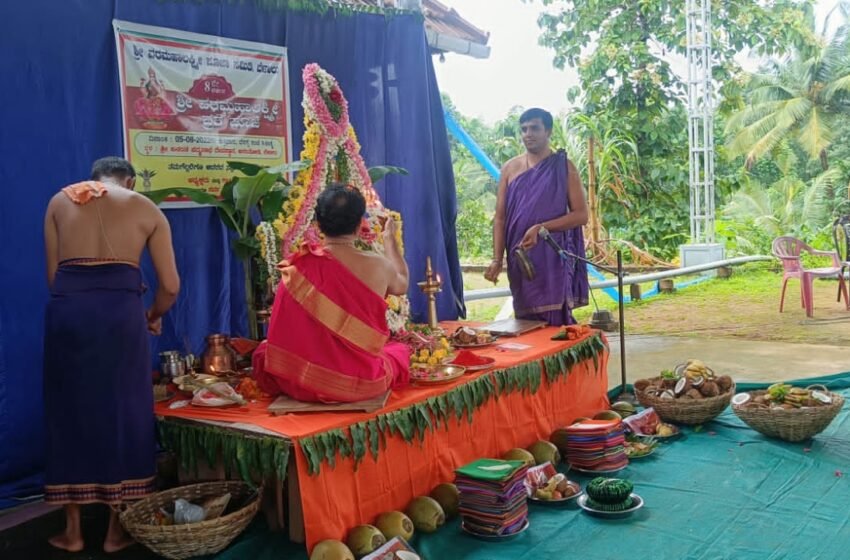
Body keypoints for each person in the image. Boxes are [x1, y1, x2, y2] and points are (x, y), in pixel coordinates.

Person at [42, 156, 180, 553]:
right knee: (124, 411)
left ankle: (72, 531)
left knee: (67, 412)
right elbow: (170, 285)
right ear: (130, 182)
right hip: (121, 319)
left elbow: (55, 278)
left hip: (68, 316)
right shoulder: (146, 208)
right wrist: (152, 316)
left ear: (94, 178)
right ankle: (116, 530)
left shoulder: (58, 201)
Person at [252, 183, 411, 403]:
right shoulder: (379, 266)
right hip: (358, 383)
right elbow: (402, 284)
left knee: (262, 352)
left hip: (298, 382)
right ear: (359, 225)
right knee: (398, 352)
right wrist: (389, 240)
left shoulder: (298, 266)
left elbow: (283, 333)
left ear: (317, 225)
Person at [484, 108, 590, 325]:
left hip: (552, 258)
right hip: (521, 258)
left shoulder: (564, 167)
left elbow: (581, 215)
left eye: (534, 128)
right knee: (525, 322)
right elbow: (500, 218)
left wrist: (542, 228)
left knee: (555, 323)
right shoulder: (509, 169)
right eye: (523, 129)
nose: (527, 134)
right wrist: (497, 259)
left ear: (548, 131)